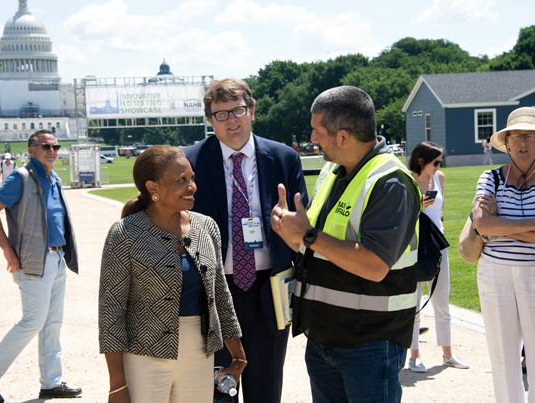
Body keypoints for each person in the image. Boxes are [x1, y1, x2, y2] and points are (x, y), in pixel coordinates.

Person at [271, 86, 421, 402]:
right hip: (325, 338)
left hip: (369, 343)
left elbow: (374, 265)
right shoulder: (333, 170)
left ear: (343, 137)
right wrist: (291, 232)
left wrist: (308, 235)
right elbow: (319, 246)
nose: (312, 138)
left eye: (317, 131)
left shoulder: (390, 182)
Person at [184, 78, 307, 403]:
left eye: (237, 110)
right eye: (220, 114)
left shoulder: (283, 159)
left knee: (266, 390)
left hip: (270, 291)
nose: (231, 120)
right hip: (213, 293)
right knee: (218, 390)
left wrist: (291, 228)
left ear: (251, 111)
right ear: (210, 120)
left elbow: (303, 225)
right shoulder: (189, 162)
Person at [99, 145, 246, 402]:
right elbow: (111, 312)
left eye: (192, 178)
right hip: (143, 357)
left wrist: (239, 357)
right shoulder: (124, 234)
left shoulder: (205, 226)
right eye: (181, 180)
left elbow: (221, 296)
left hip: (200, 355)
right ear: (152, 187)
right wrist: (117, 385)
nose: (192, 186)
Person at [0, 129, 82, 403]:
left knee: (52, 323)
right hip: (34, 260)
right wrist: (7, 248)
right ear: (31, 150)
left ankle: (51, 382)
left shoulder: (53, 178)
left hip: (56, 259)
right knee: (32, 321)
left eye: (56, 146)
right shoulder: (20, 178)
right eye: (46, 146)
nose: (52, 151)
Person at [473, 107, 535, 403]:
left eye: (530, 135)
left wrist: (500, 227)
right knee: (502, 359)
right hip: (494, 276)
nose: (523, 142)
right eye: (517, 135)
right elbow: (482, 222)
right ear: (507, 141)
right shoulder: (490, 177)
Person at [407, 142, 469, 373]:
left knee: (442, 300)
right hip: (413, 248)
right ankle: (414, 356)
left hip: (437, 246)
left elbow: (439, 212)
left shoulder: (440, 178)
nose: (439, 166)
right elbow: (399, 216)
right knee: (413, 303)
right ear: (422, 161)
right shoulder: (407, 180)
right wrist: (417, 206)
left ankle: (448, 353)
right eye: (436, 162)